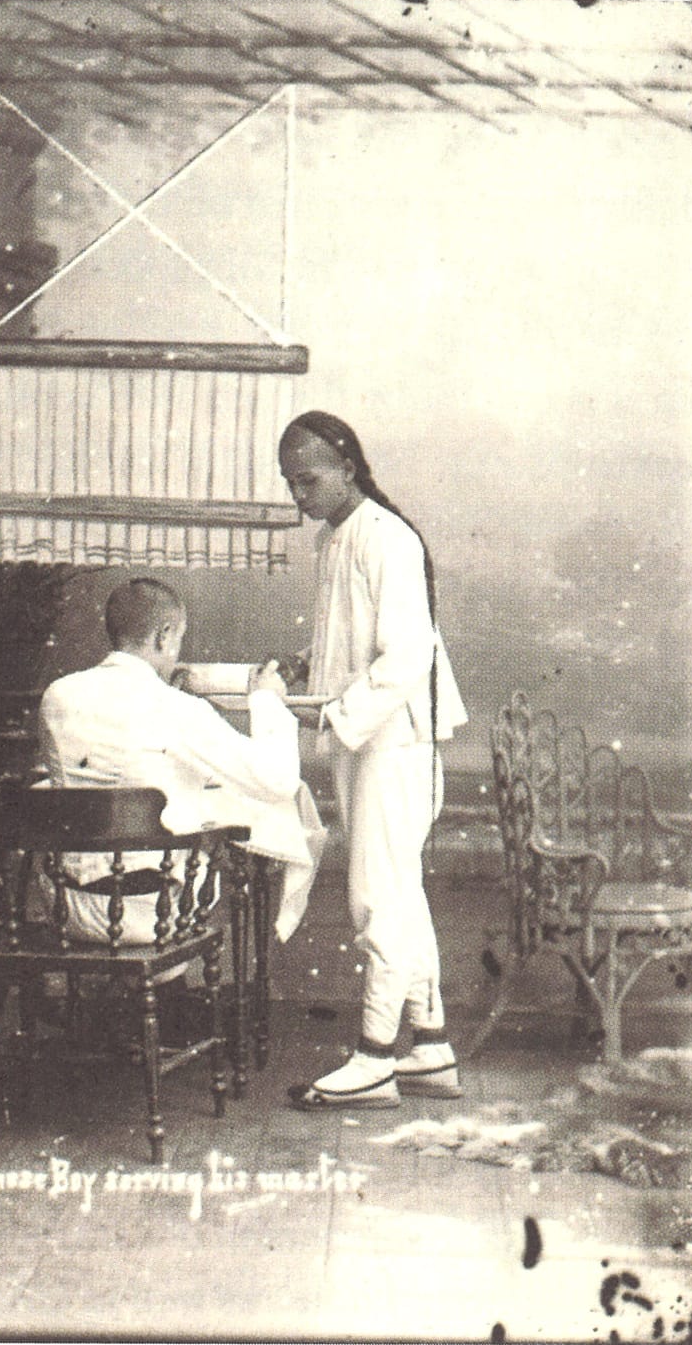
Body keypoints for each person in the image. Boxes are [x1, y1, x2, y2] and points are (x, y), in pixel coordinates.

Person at [278, 410, 468, 1110]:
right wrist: (307, 664)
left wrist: (335, 714)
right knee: (401, 893)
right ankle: (431, 1046)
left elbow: (408, 654)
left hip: (395, 742)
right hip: (369, 738)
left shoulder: (386, 537)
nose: (298, 495)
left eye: (308, 480)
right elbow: (355, 637)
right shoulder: (337, 538)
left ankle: (375, 1059)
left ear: (348, 469)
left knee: (377, 898)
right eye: (290, 483)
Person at [37, 577, 323, 946]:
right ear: (164, 636)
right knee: (211, 838)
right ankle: (171, 978)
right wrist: (267, 700)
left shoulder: (57, 696)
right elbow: (278, 780)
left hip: (65, 906)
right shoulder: (177, 708)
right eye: (178, 639)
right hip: (148, 914)